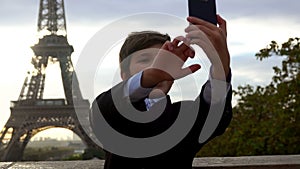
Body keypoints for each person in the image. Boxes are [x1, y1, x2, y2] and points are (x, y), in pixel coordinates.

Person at [90, 15, 232, 169]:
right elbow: (104, 108)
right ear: (124, 75)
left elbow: (214, 113)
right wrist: (150, 76)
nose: (157, 65)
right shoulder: (111, 112)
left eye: (163, 59)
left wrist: (220, 66)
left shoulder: (185, 117)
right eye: (145, 60)